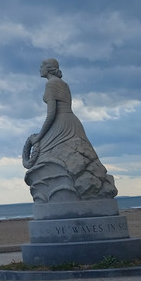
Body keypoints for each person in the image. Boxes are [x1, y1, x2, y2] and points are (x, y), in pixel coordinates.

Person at [22, 59, 117, 203]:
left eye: (41, 66)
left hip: (61, 124)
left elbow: (51, 113)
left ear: (48, 68)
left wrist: (39, 137)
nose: (39, 69)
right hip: (72, 122)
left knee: (44, 157)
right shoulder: (62, 83)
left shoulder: (51, 84)